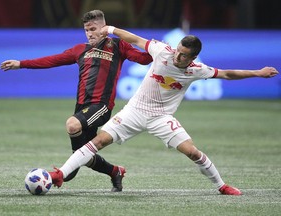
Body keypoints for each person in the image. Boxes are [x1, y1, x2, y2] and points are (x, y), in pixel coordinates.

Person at [48, 26, 278, 195]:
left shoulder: (197, 70)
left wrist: (258, 73)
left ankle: (222, 186)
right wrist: (111, 28)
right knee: (98, 142)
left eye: (183, 54)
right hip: (134, 111)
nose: (177, 55)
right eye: (177, 50)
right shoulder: (162, 51)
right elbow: (136, 39)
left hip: (161, 117)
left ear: (193, 57)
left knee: (193, 152)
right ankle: (60, 174)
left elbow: (227, 73)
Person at [0, 10, 152, 192]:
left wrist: (156, 49)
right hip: (82, 106)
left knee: (72, 125)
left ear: (104, 28)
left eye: (93, 29)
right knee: (84, 155)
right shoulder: (80, 50)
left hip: (101, 106)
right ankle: (114, 171)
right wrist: (21, 63)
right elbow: (52, 60)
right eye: (86, 30)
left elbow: (144, 59)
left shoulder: (118, 46)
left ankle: (65, 173)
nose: (89, 33)